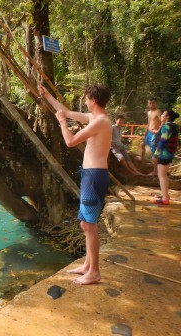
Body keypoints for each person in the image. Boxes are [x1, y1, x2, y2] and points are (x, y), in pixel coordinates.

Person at [39, 84, 112, 285]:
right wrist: (47, 96)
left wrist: (62, 122)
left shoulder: (100, 121)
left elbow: (70, 141)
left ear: (93, 100)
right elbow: (67, 112)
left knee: (89, 224)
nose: (85, 101)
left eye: (86, 98)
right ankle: (88, 265)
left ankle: (95, 272)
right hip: (90, 174)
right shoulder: (95, 118)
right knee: (84, 223)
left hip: (95, 176)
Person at [152, 110, 179, 205]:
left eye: (163, 114)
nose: (161, 115)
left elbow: (162, 141)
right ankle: (165, 195)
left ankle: (164, 199)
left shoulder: (166, 127)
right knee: (164, 175)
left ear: (167, 117)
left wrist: (155, 155)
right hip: (170, 153)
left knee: (162, 176)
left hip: (164, 154)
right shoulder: (173, 126)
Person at [140, 98, 162, 173]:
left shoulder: (158, 111)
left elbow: (163, 122)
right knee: (142, 145)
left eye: (153, 103)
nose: (151, 105)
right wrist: (144, 135)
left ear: (156, 103)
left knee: (154, 152)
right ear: (148, 104)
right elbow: (148, 123)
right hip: (148, 133)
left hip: (154, 134)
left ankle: (155, 170)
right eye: (150, 103)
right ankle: (142, 161)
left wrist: (158, 130)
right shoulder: (149, 112)